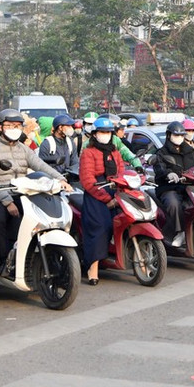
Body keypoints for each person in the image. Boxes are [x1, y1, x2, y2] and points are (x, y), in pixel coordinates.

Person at [0, 109, 69, 276]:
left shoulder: (23, 149)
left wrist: (60, 180)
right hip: (0, 195)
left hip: (24, 193)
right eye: (10, 125)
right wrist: (7, 202)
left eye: (18, 125)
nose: (14, 128)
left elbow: (41, 165)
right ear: (0, 127)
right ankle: (3, 256)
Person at [78, 118, 124, 285]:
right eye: (102, 132)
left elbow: (122, 172)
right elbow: (87, 180)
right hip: (96, 195)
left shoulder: (115, 152)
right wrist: (106, 198)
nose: (105, 135)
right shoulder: (88, 153)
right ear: (95, 134)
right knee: (100, 227)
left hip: (115, 192)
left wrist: (120, 191)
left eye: (108, 132)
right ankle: (93, 267)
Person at [153, 121, 194, 247]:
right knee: (174, 204)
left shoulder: (189, 151)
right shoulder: (161, 152)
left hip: (189, 186)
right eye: (176, 135)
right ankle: (179, 232)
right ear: (169, 135)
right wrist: (168, 174)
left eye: (182, 135)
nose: (179, 138)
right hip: (169, 188)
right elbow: (159, 168)